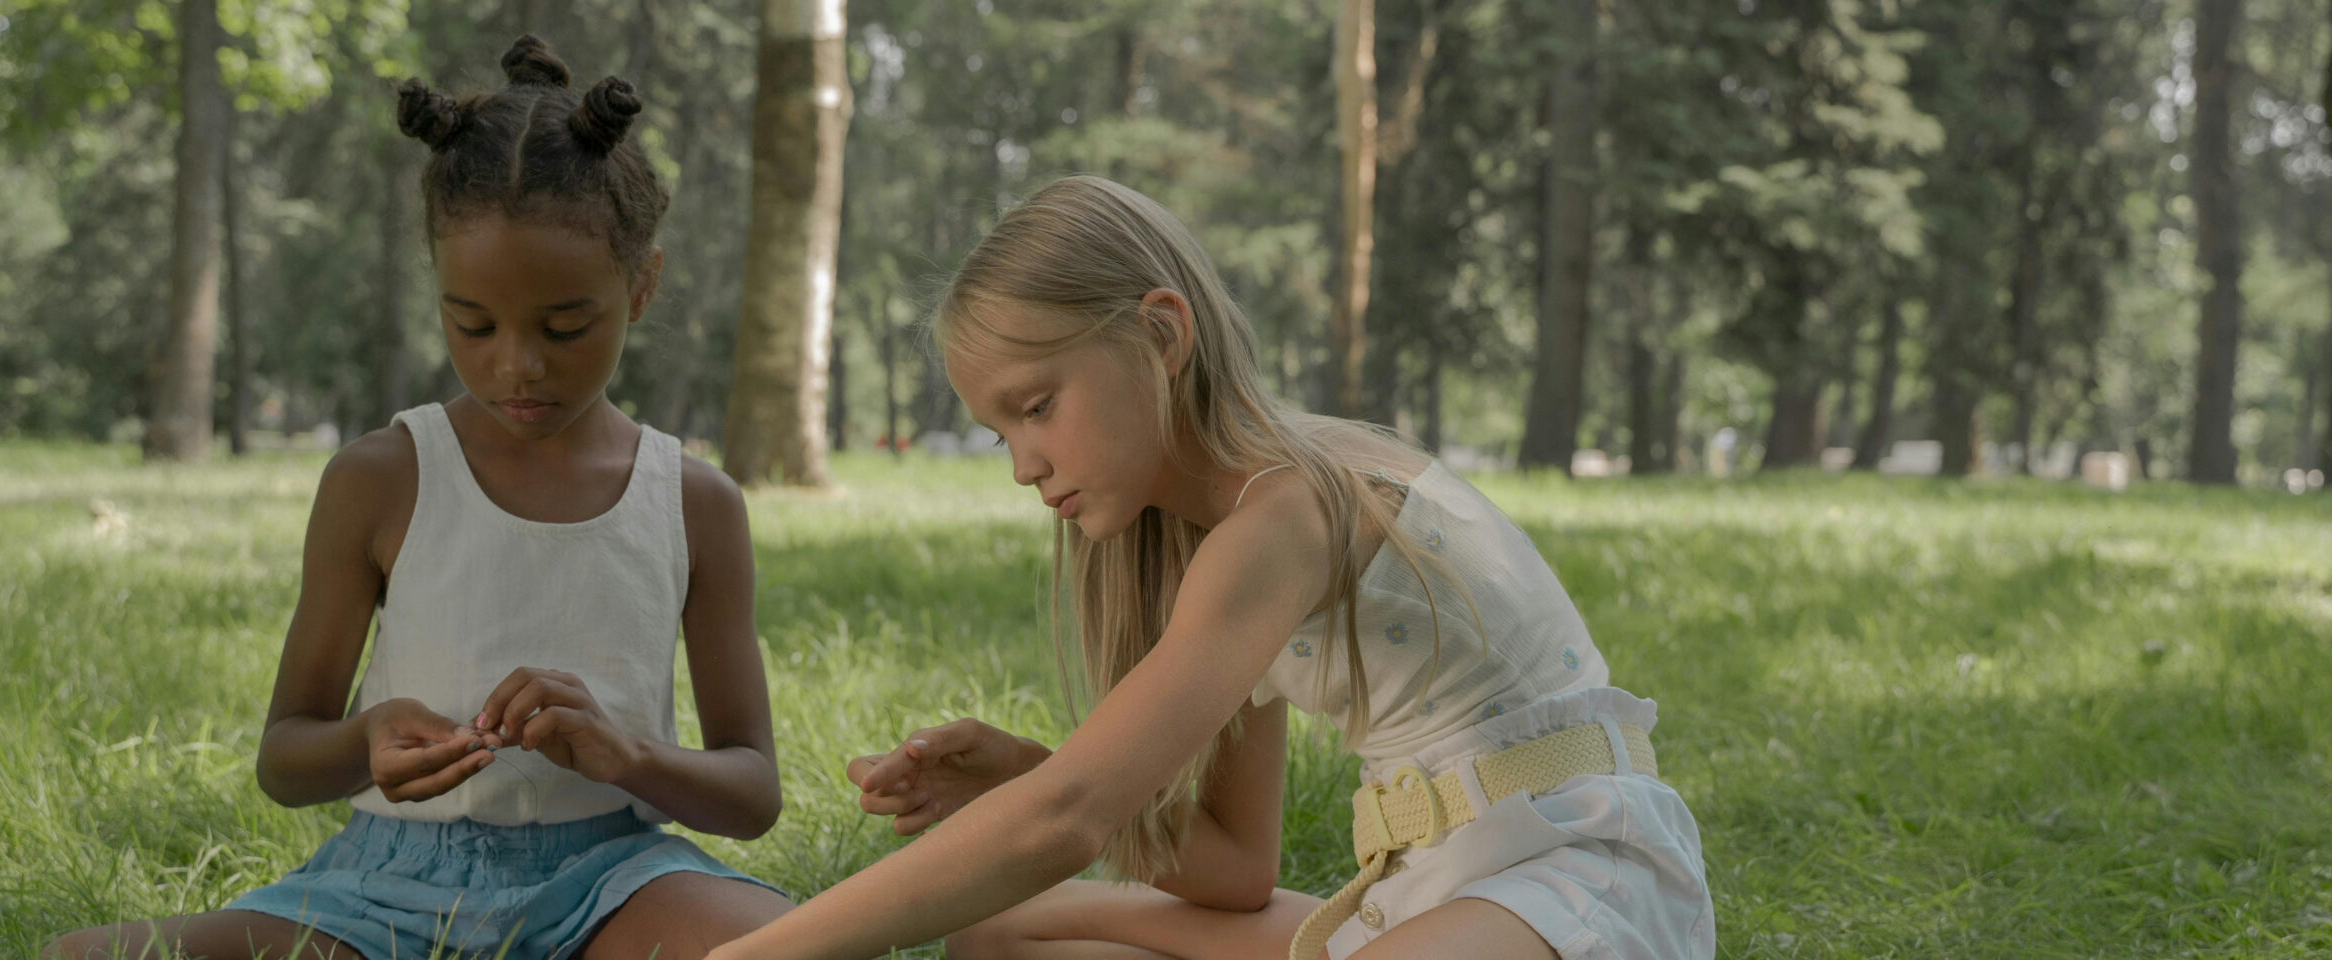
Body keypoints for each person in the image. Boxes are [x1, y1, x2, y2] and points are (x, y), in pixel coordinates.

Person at [709, 174, 1713, 960]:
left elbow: (1067, 823)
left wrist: (751, 955)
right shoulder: (1219, 539)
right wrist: (1022, 770)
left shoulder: (1288, 511)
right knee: (1002, 936)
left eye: (1036, 406)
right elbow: (1236, 867)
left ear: (1159, 333)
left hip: (1575, 879)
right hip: (1435, 884)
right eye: (997, 429)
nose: (1022, 466)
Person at [43, 35, 792, 960]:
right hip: (387, 892)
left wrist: (628, 756)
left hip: (615, 885)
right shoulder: (381, 477)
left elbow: (752, 791)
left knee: (800, 947)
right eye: (470, 323)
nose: (516, 364)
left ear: (641, 285)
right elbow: (285, 758)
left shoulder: (693, 501)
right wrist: (369, 740)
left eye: (566, 326)